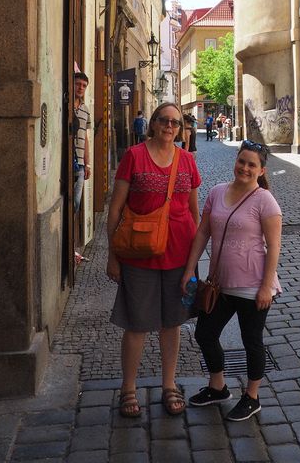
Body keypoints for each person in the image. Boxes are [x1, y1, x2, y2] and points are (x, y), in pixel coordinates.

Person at [106, 102, 201, 418]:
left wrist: (197, 257)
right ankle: (128, 388)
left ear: (181, 128)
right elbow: (116, 209)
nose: (170, 127)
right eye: (164, 120)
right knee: (137, 325)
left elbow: (193, 211)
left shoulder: (187, 160)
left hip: (179, 253)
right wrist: (113, 255)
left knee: (172, 323)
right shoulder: (134, 156)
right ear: (153, 123)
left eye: (175, 123)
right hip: (140, 252)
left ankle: (169, 384)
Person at [182, 140, 282, 422]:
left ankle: (252, 397)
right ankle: (218, 387)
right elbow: (202, 233)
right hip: (220, 283)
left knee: (252, 340)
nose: (245, 168)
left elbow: (274, 247)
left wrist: (265, 287)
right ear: (235, 161)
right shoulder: (216, 192)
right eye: (242, 162)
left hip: (253, 285)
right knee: (205, 333)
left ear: (261, 170)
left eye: (252, 165)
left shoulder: (265, 200)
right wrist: (191, 269)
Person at [73, 72, 91, 214]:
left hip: (79, 163)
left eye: (84, 86)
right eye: (78, 84)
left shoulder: (85, 110)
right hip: (66, 159)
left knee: (76, 202)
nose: (80, 88)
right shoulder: (66, 105)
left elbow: (85, 138)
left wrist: (87, 164)